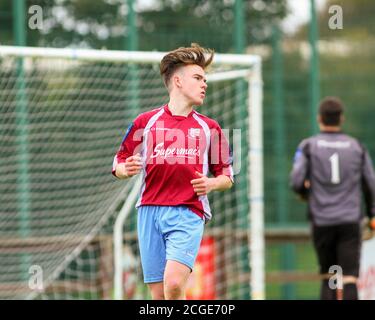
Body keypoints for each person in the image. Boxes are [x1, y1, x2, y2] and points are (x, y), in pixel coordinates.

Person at [112, 44, 233, 300]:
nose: (204, 84)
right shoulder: (146, 122)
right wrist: (126, 169)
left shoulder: (210, 127)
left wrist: (211, 184)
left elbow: (226, 177)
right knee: (158, 295)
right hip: (149, 211)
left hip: (188, 211)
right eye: (198, 78)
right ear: (177, 81)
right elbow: (118, 162)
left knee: (175, 284)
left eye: (205, 79)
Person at [290, 96, 375, 300]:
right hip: (349, 222)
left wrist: (305, 193)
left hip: (322, 220)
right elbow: (370, 184)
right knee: (349, 277)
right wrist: (372, 213)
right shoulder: (357, 147)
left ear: (320, 119)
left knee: (329, 275)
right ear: (341, 119)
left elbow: (296, 181)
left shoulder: (308, 146)